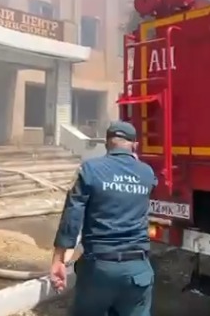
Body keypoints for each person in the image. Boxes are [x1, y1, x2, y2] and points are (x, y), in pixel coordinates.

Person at [50, 121, 157, 316]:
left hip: (99, 269)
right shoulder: (147, 173)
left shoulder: (90, 169)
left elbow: (72, 215)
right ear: (135, 145)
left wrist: (59, 260)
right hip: (138, 270)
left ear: (107, 143)